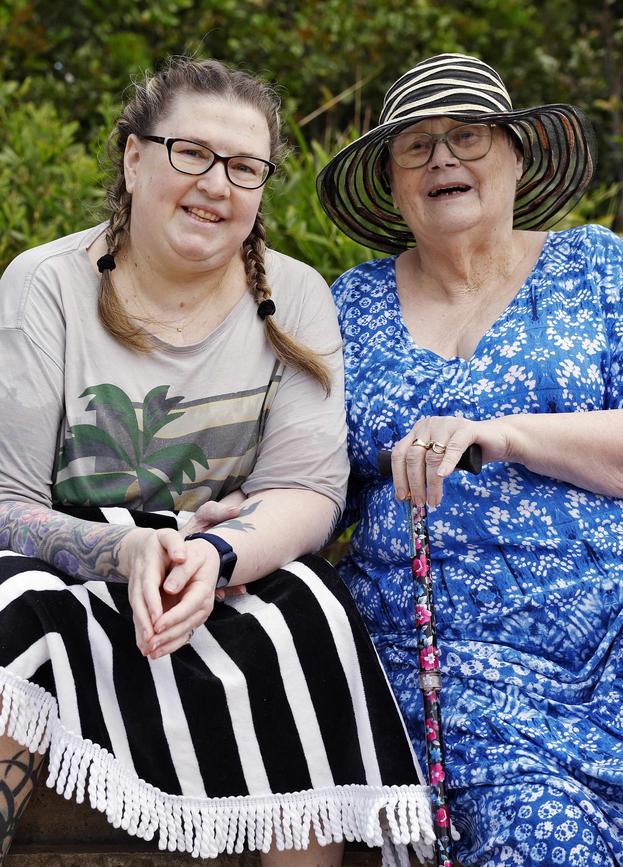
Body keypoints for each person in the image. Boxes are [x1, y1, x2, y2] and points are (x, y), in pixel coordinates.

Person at [0, 57, 435, 866]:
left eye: (244, 167)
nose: (216, 184)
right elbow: (6, 499)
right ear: (134, 159)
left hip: (224, 560)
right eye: (190, 153)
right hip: (68, 563)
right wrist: (124, 549)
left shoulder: (296, 297)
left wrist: (213, 554)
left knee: (312, 607)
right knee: (11, 601)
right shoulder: (44, 285)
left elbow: (306, 490)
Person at [316, 53, 623, 867]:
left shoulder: (592, 265)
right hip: (445, 652)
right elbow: (313, 479)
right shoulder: (348, 302)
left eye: (467, 136)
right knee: (539, 829)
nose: (443, 160)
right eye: (416, 146)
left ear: (516, 155)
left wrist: (501, 433)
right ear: (393, 183)